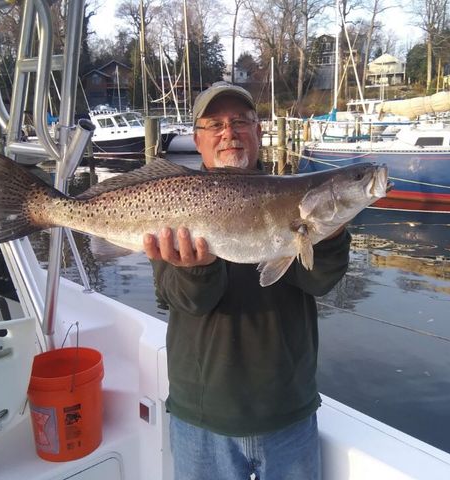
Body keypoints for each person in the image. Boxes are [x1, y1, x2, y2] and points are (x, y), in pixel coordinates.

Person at [143, 81, 351, 480]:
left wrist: (331, 231)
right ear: (197, 139)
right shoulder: (171, 202)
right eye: (215, 124)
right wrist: (195, 268)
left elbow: (321, 282)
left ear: (258, 132)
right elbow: (181, 301)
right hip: (202, 416)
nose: (229, 133)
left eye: (240, 121)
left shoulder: (295, 198)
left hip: (287, 410)